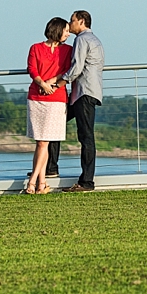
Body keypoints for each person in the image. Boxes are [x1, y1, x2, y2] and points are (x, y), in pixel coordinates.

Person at [52, 10, 104, 193]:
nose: (69, 23)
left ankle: (87, 182)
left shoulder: (81, 39)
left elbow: (77, 67)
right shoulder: (95, 40)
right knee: (55, 123)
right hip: (84, 93)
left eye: (72, 20)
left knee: (86, 136)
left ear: (81, 22)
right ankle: (51, 168)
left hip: (84, 94)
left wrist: (58, 83)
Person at [23, 17, 72, 195]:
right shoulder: (35, 48)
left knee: (43, 142)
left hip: (57, 98)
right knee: (41, 143)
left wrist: (50, 83)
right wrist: (42, 84)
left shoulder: (68, 50)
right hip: (36, 97)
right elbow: (32, 69)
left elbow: (66, 70)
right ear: (57, 30)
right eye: (66, 30)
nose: (68, 33)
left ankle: (32, 182)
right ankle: (41, 183)